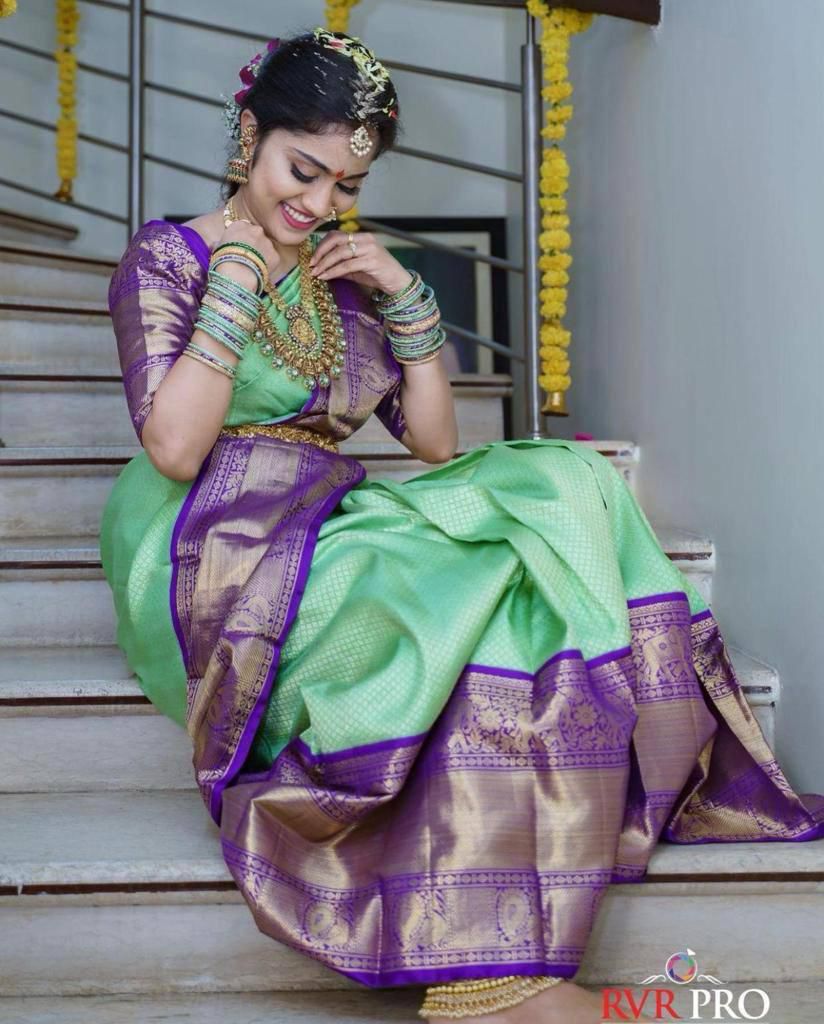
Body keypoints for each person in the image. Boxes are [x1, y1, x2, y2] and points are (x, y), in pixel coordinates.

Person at [99, 27, 824, 1024]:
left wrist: (404, 297)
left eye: (346, 186)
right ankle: (488, 973)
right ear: (248, 134)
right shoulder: (168, 256)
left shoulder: (337, 276)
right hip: (207, 537)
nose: (318, 204)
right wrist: (232, 281)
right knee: (452, 589)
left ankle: (496, 949)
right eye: (301, 171)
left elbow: (436, 442)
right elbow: (177, 447)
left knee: (562, 484)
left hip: (325, 511)